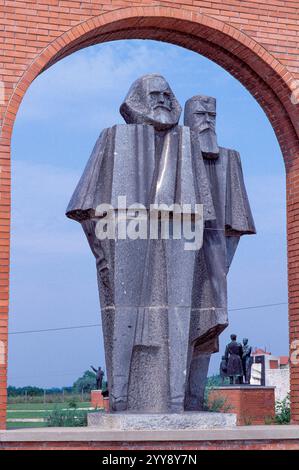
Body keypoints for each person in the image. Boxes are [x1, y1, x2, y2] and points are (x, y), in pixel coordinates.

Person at [66, 74, 214, 412]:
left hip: (182, 221)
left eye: (167, 94)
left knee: (179, 313)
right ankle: (121, 396)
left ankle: (175, 399)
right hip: (124, 220)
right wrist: (102, 252)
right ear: (136, 99)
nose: (162, 100)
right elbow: (84, 204)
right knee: (126, 309)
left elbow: (205, 210)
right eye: (154, 94)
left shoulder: (186, 140)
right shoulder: (113, 137)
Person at [183, 95, 256, 409]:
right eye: (200, 113)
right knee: (181, 321)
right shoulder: (175, 157)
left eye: (212, 113)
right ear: (187, 117)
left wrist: (219, 268)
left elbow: (236, 224)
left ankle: (193, 398)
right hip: (180, 249)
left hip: (214, 252)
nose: (207, 119)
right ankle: (174, 397)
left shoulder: (229, 158)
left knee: (209, 320)